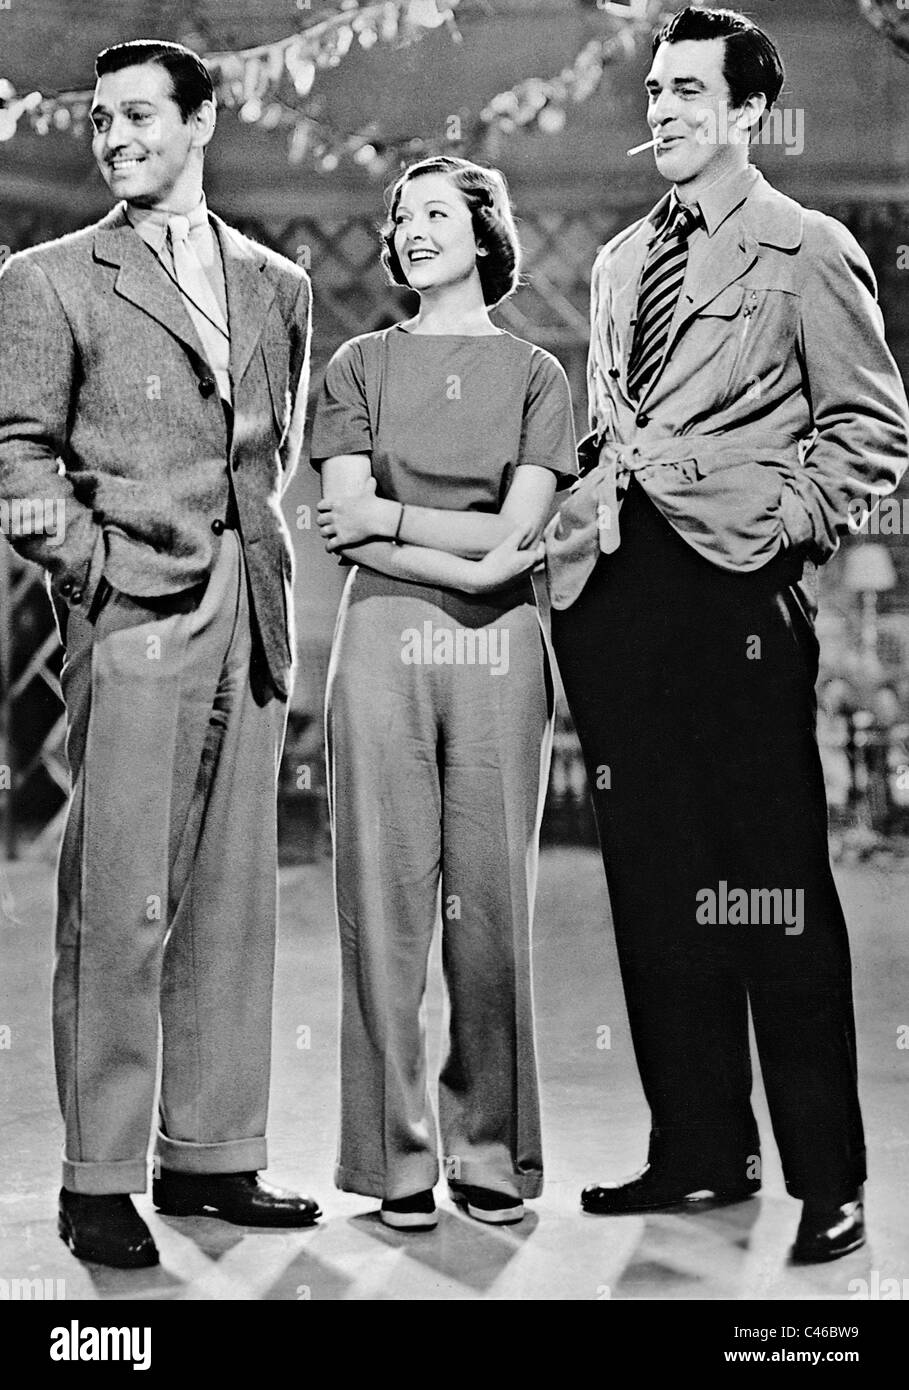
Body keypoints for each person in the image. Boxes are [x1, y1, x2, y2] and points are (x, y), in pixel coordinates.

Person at [546, 7, 909, 1263]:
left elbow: (871, 432)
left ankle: (830, 1179)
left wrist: (783, 529)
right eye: (653, 89)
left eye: (689, 90)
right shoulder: (614, 263)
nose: (662, 109)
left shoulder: (807, 249)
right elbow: (611, 426)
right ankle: (700, 1146)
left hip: (738, 598)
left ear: (751, 109)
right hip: (618, 597)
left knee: (776, 895)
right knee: (656, 888)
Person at [0, 39, 319, 1269]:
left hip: (252, 600)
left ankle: (214, 1158)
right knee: (119, 896)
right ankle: (97, 1178)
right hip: (132, 605)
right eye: (100, 120)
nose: (115, 136)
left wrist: (243, 562)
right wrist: (92, 571)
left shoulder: (278, 281)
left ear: (203, 120)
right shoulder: (46, 278)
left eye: (139, 114)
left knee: (236, 895)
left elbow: (270, 449)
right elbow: (17, 462)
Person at [311, 155, 577, 1230]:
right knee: (381, 911)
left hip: (504, 657)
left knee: (492, 913)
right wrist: (468, 552)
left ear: (484, 233)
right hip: (378, 647)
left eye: (438, 213)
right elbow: (340, 513)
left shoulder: (537, 374)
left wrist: (403, 523)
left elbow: (520, 536)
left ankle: (491, 1153)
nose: (415, 230)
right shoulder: (360, 362)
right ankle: (395, 1163)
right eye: (401, 216)